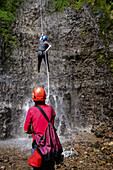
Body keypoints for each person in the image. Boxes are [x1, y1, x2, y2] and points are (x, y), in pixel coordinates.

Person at [24, 87, 55, 170]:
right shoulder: (52, 110)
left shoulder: (31, 110)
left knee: (37, 167)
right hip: (50, 145)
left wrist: (33, 131)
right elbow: (51, 127)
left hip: (38, 145)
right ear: (45, 97)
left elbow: (26, 129)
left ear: (33, 97)